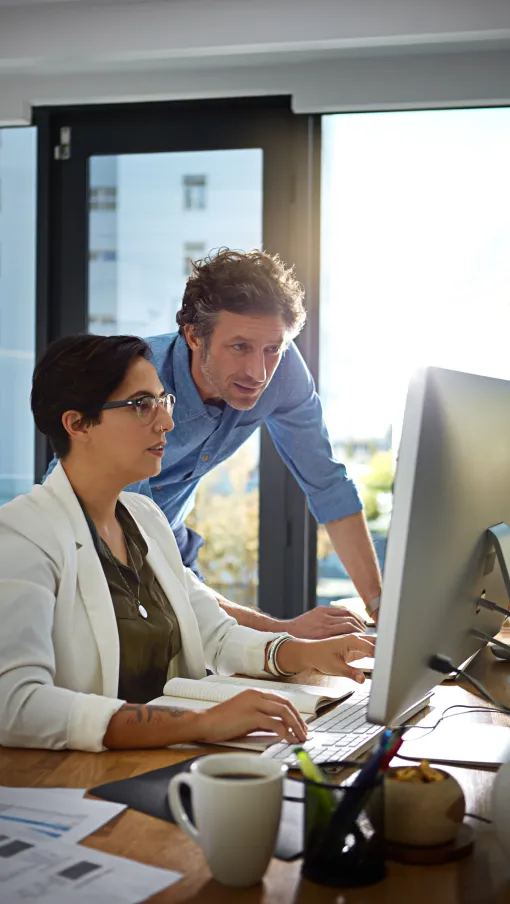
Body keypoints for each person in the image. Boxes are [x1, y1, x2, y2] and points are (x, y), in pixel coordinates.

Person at [0, 334, 374, 753]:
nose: (166, 422)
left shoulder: (145, 518)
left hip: (165, 760)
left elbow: (217, 636)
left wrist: (307, 653)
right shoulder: (21, 535)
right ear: (78, 424)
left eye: (165, 401)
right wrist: (201, 723)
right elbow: (15, 704)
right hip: (85, 775)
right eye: (142, 405)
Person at [46, 248, 383, 636]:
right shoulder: (133, 385)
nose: (258, 372)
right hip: (87, 550)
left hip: (171, 549)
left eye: (272, 349)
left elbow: (328, 484)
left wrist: (381, 609)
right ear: (194, 336)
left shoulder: (283, 370)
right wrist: (283, 631)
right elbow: (134, 539)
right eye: (239, 347)